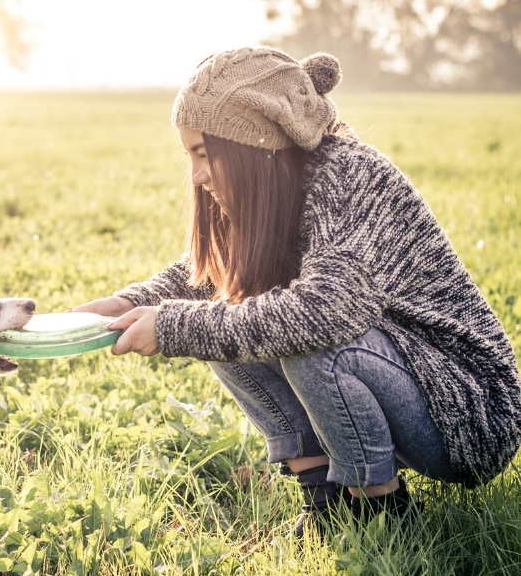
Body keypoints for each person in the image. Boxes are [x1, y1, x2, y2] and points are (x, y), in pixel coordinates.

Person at [75, 47, 521, 536]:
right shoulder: (275, 184)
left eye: (204, 154)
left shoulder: (351, 178)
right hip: (402, 376)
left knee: (309, 349)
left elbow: (324, 314)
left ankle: (383, 516)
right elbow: (209, 276)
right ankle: (325, 504)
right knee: (224, 321)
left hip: (465, 407)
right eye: (190, 157)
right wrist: (135, 303)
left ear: (255, 146)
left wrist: (178, 326)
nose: (198, 177)